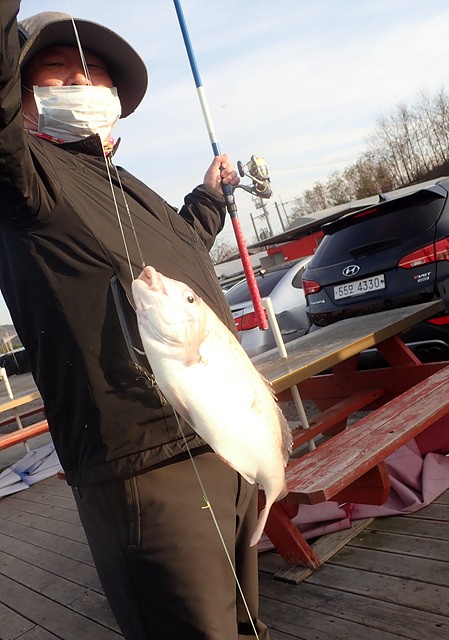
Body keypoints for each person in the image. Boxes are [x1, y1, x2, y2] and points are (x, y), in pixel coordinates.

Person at [0, 4, 270, 639]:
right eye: (56, 70)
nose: (80, 81)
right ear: (22, 97)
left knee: (246, 627)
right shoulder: (25, 183)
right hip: (146, 471)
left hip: (224, 444)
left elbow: (182, 246)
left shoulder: (125, 186)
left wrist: (209, 198)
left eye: (94, 73)